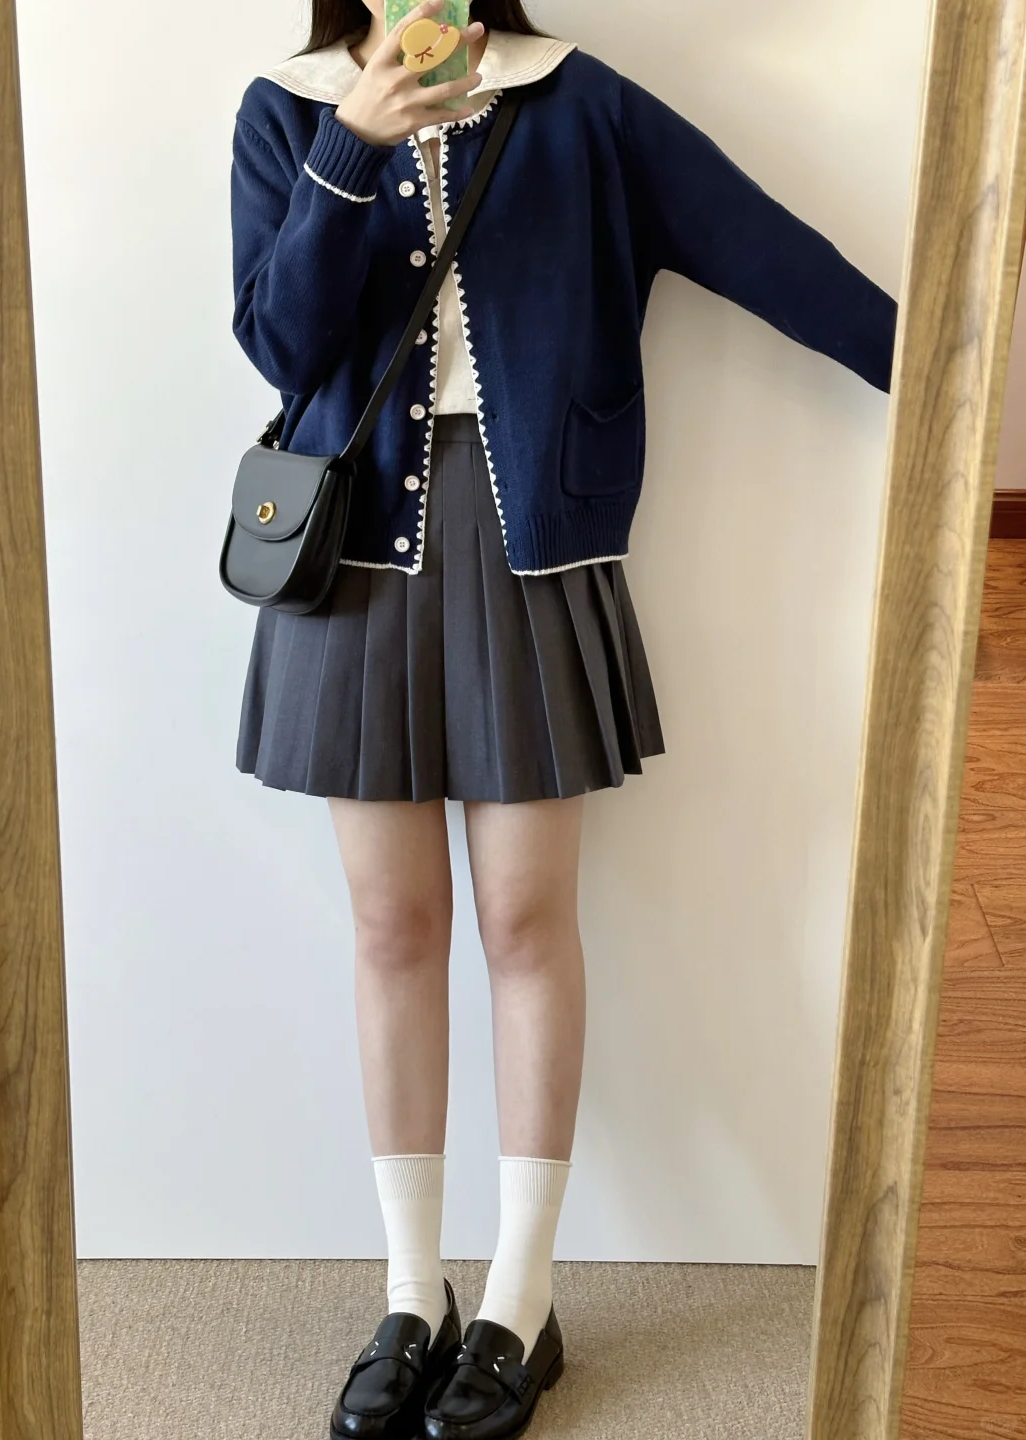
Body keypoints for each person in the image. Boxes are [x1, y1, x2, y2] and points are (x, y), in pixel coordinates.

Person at [229, 3, 898, 1437]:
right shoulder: (288, 109)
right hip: (351, 561)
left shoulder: (579, 104)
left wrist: (945, 372)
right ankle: (411, 1294)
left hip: (533, 547)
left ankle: (520, 1302)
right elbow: (282, 344)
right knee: (391, 927)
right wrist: (353, 149)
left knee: (527, 920)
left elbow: (769, 255)